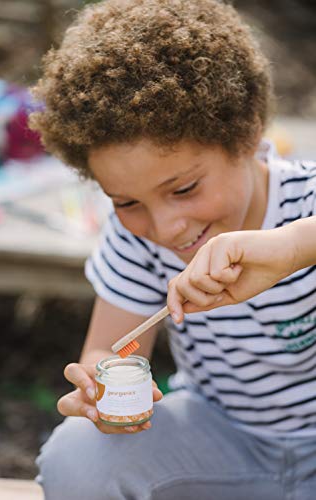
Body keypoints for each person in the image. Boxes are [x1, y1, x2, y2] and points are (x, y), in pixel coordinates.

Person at [30, 0, 316, 498]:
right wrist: (100, 389)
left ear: (246, 135)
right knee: (76, 455)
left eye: (183, 189)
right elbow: (110, 349)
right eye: (128, 202)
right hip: (223, 445)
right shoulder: (135, 240)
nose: (165, 227)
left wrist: (295, 246)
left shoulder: (305, 206)